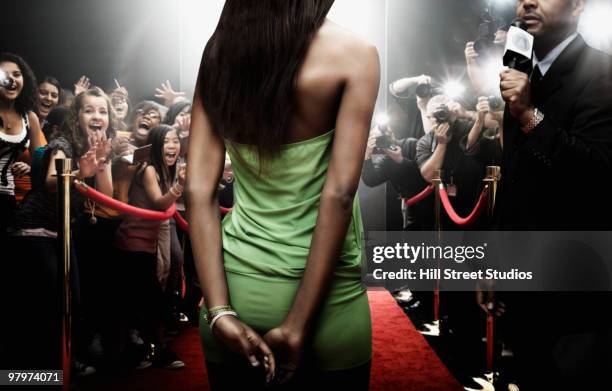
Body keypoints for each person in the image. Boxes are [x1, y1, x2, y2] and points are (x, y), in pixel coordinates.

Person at [186, 1, 379, 389]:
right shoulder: (354, 53)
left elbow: (197, 191)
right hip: (328, 309)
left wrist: (220, 312)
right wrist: (295, 327)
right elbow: (339, 195)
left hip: (234, 291)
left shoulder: (219, 51)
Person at [497, 0, 612, 388]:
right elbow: (511, 178)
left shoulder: (603, 69)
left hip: (577, 295)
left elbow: (598, 171)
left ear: (578, 5)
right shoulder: (522, 74)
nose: (526, 1)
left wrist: (529, 115)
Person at [4, 88, 112, 370]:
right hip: (33, 230)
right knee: (49, 304)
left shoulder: (98, 148)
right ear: (77, 116)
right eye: (89, 110)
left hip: (61, 232)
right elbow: (53, 181)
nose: (97, 116)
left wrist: (103, 162)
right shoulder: (63, 144)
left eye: (103, 111)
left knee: (73, 301)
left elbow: (108, 197)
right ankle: (40, 371)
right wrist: (81, 172)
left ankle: (62, 363)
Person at [114, 124, 186, 370]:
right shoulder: (150, 170)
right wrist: (180, 186)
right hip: (132, 243)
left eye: (176, 141)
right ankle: (157, 352)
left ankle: (137, 352)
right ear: (156, 145)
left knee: (138, 301)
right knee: (149, 301)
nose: (173, 146)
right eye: (167, 141)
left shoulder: (166, 170)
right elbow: (159, 204)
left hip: (146, 244)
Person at [0, 53, 44, 247]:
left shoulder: (29, 118)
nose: (11, 79)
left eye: (17, 74)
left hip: (7, 202)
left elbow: (43, 162)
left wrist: (31, 168)